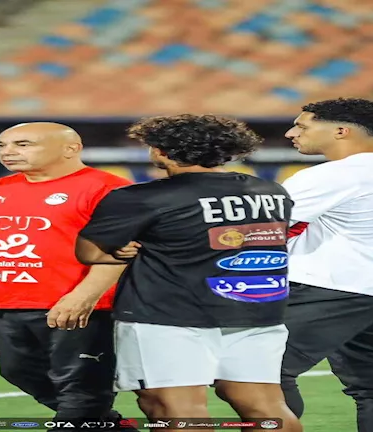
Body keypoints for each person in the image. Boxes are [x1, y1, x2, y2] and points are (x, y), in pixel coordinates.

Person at [72, 114, 303, 432]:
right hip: (257, 312)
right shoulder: (269, 190)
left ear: (161, 151)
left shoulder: (142, 197)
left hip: (167, 317)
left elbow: (90, 251)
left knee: (173, 409)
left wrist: (124, 250)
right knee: (266, 407)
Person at [279, 98, 373, 432]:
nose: (292, 133)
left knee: (260, 372)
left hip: (336, 287)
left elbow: (269, 227)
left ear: (340, 131)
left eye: (302, 126)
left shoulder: (332, 175)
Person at [0, 122, 132, 427]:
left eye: (23, 144)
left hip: (83, 307)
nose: (8, 152)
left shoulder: (107, 188)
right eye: (2, 145)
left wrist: (84, 296)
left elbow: (121, 250)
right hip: (11, 302)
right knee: (15, 371)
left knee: (80, 388)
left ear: (71, 148)